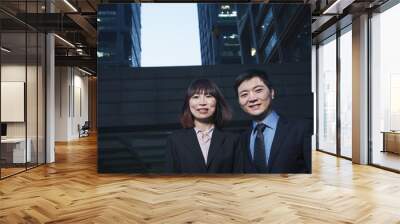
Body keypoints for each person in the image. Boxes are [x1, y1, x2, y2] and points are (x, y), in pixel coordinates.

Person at [234, 69, 311, 173]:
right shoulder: (241, 140)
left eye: (258, 90)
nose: (252, 98)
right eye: (244, 94)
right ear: (239, 102)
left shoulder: (302, 129)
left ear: (272, 93)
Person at [165, 79, 241, 173]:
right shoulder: (175, 140)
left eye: (208, 96)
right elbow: (171, 180)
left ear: (217, 102)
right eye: (196, 97)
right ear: (188, 103)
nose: (202, 102)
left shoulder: (233, 140)